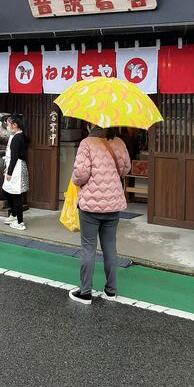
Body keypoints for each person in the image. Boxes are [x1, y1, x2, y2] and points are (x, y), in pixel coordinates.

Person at [68, 125, 131, 305]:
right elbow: (126, 169)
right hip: (113, 203)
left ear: (91, 124)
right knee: (110, 247)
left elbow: (80, 174)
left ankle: (85, 292)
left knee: (88, 248)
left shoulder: (87, 143)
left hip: (90, 205)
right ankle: (111, 290)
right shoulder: (119, 143)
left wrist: (75, 180)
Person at [2, 113, 29, 231]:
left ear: (14, 125)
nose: (7, 126)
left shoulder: (17, 138)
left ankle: (20, 222)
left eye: (8, 124)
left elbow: (14, 157)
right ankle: (13, 214)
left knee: (16, 194)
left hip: (16, 168)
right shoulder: (18, 135)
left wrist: (9, 173)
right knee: (7, 190)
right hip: (15, 167)